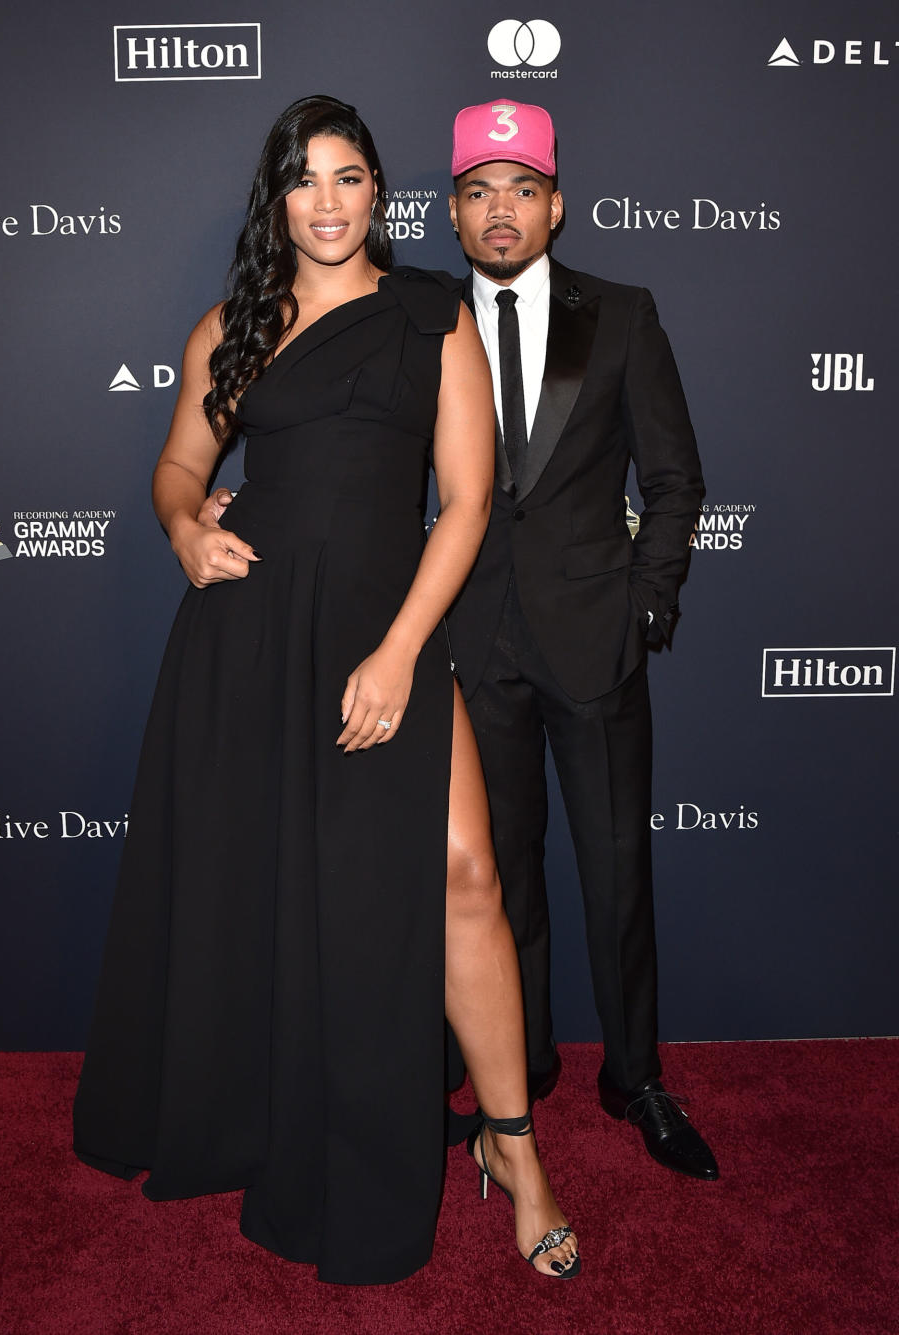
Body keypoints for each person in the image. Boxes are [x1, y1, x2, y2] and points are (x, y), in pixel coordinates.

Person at [73, 95, 580, 1285]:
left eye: (349, 177)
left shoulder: (429, 318)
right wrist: (183, 530)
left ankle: (516, 1150)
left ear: (380, 193)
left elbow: (463, 504)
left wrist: (403, 650)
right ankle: (266, 1115)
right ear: (278, 201)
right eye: (304, 181)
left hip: (382, 628)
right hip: (249, 640)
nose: (328, 202)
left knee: (463, 875)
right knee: (267, 889)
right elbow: (181, 464)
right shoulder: (230, 327)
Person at [443, 101, 718, 1181]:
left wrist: (649, 600)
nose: (499, 211)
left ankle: (636, 1076)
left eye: (519, 189)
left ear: (557, 203)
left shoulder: (623, 314)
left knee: (615, 874)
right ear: (453, 213)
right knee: (502, 883)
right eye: (478, 192)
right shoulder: (424, 320)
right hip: (473, 644)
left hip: (594, 639)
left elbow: (674, 476)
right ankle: (527, 1067)